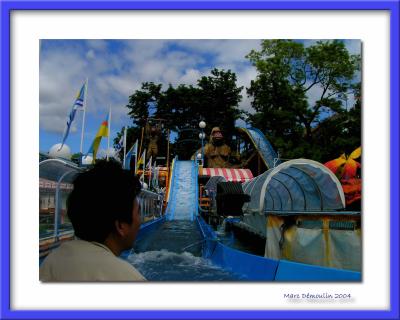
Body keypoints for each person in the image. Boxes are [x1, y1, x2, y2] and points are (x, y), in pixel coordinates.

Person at [40, 160, 146, 282]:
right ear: (120, 226)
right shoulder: (129, 278)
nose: (140, 221)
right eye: (138, 212)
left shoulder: (50, 262)